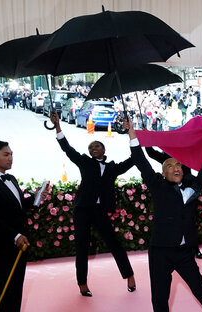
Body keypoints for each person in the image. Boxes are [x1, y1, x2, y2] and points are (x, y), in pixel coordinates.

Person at [126, 120, 202, 312]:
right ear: (163, 173)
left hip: (184, 253)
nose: (176, 167)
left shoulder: (190, 189)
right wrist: (133, 136)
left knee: (200, 290)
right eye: (170, 165)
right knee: (160, 299)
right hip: (160, 252)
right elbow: (142, 162)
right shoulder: (157, 185)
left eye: (178, 164)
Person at [49, 111, 136, 296]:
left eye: (97, 146)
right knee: (82, 246)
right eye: (91, 147)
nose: (93, 149)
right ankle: (82, 283)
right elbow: (67, 148)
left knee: (114, 243)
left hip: (99, 210)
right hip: (81, 209)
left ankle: (129, 276)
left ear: (104, 149)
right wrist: (57, 126)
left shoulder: (112, 168)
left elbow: (134, 159)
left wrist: (132, 133)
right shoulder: (84, 162)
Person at [0, 141, 47, 311]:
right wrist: (15, 235)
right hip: (3, 245)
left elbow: (17, 206)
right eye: (6, 155)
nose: (11, 158)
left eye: (11, 154)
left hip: (20, 244)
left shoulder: (11, 178)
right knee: (4, 286)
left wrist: (35, 199)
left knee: (16, 287)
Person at [144, 144, 202, 259]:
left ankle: (194, 249)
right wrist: (148, 140)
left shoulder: (186, 152)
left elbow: (201, 158)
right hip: (171, 193)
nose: (176, 167)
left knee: (190, 221)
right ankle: (174, 248)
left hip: (189, 191)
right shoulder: (167, 157)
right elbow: (151, 153)